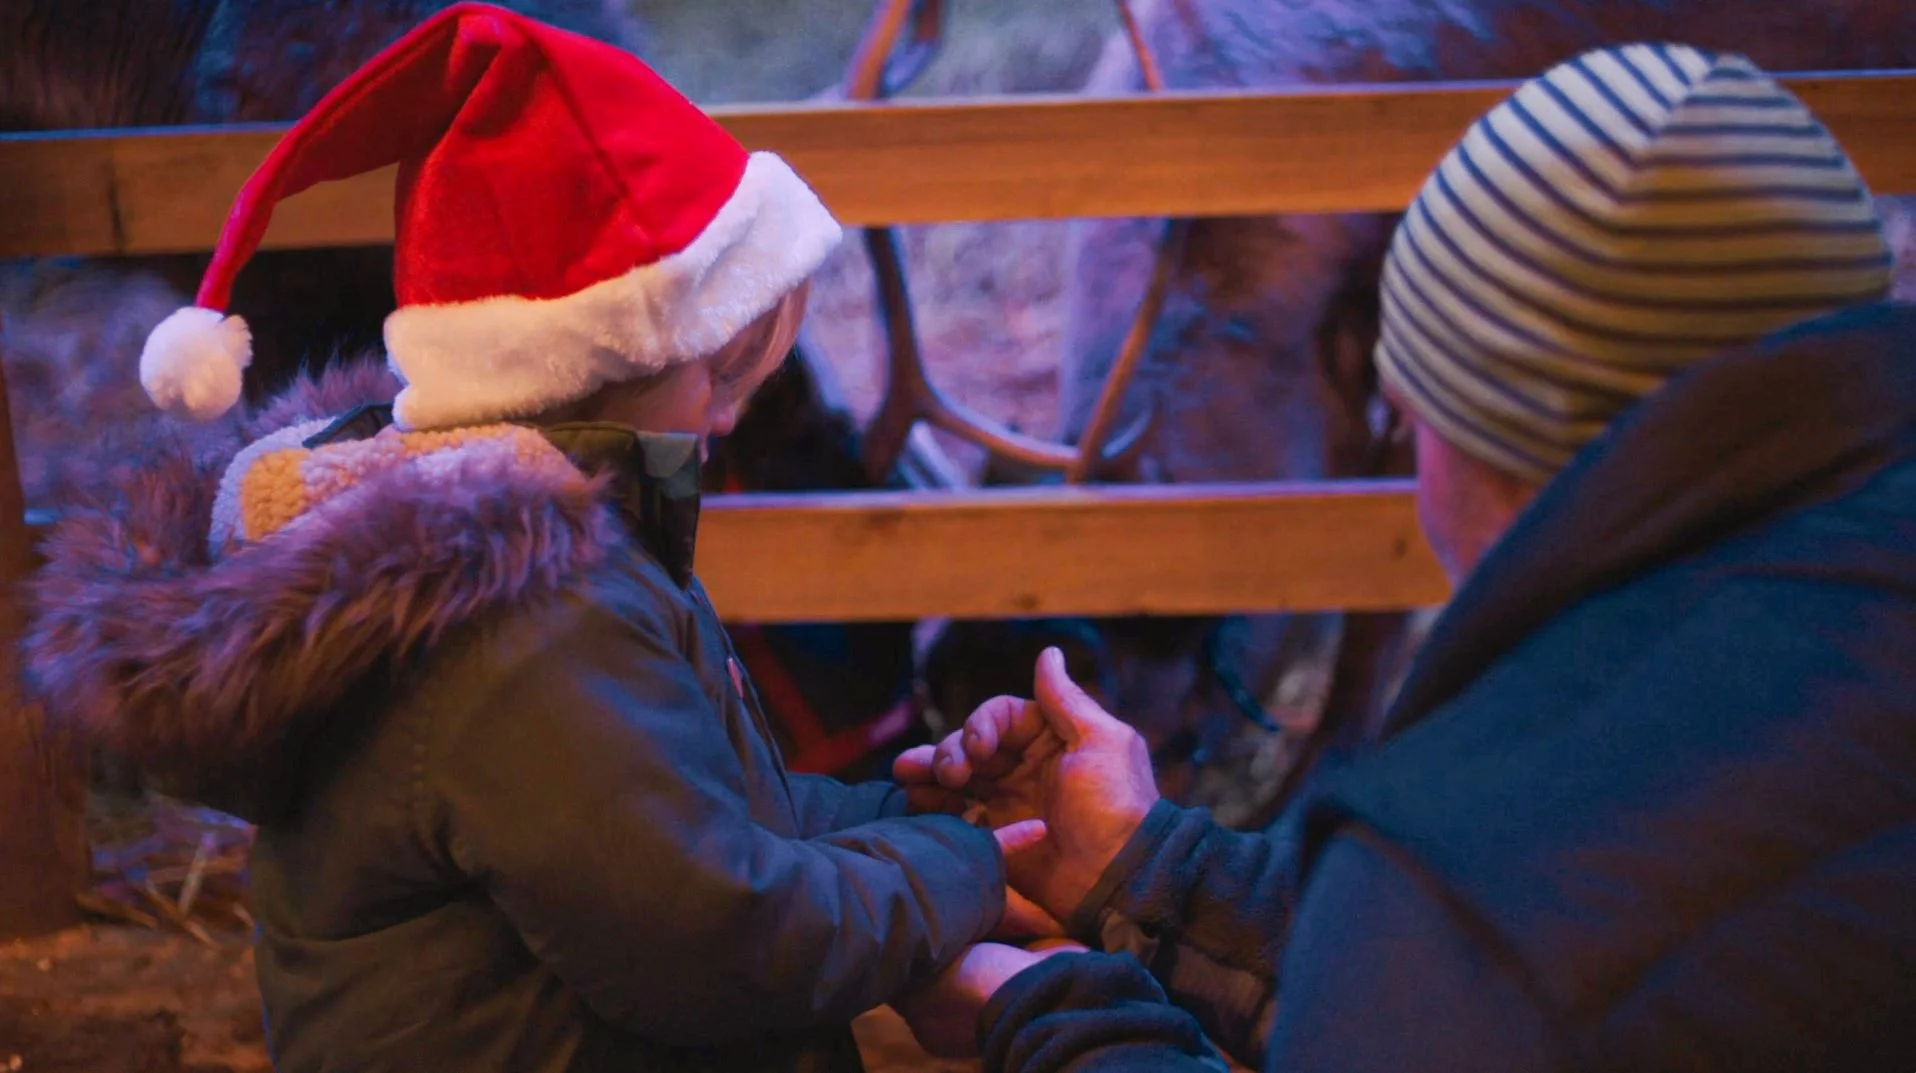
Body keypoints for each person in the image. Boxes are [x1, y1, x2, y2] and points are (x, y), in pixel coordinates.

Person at [23, 5, 1045, 1071]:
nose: (732, 418)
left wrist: (922, 805)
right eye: (721, 373)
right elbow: (715, 937)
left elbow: (708, 815)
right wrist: (960, 866)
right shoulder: (522, 616)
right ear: (615, 352)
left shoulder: (543, 536)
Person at [894, 42, 1916, 1071]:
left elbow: (1463, 973)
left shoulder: (1462, 888)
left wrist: (1045, 1010)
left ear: (1454, 422)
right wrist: (1153, 869)